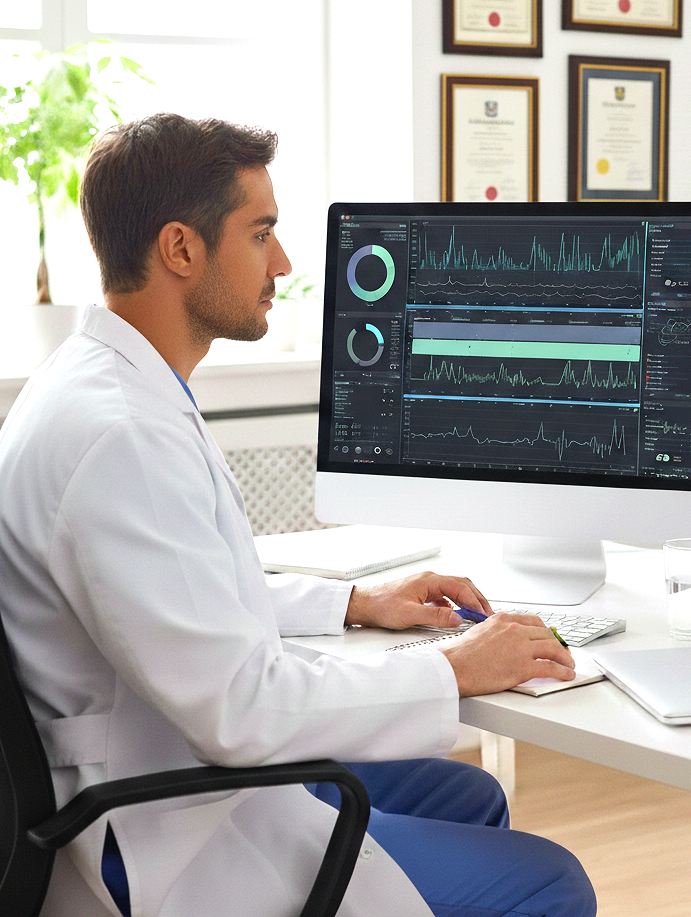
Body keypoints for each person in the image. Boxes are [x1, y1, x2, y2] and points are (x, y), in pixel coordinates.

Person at [0, 113, 597, 917]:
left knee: (466, 795)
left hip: (171, 757)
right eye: (262, 233)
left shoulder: (97, 382)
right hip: (162, 831)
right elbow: (239, 711)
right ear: (181, 248)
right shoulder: (121, 437)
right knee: (551, 882)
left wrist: (353, 603)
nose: (282, 262)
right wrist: (455, 668)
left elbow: (182, 592)